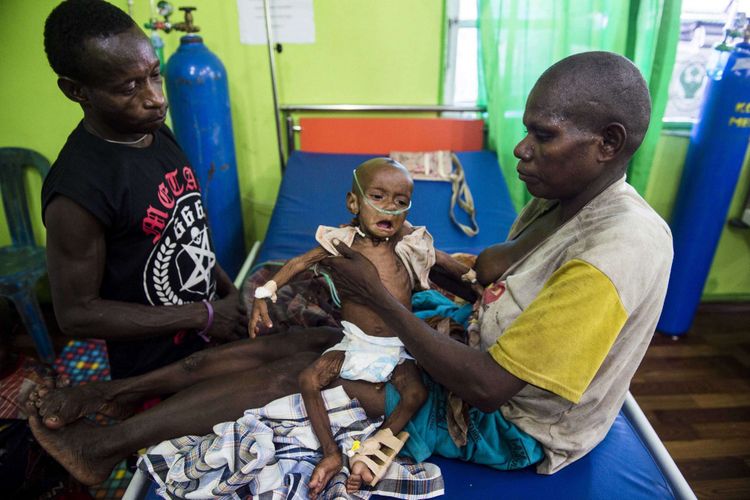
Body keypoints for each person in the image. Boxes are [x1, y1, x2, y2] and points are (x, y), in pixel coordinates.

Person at [26, 50, 672, 489]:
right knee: (302, 338)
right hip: (479, 336)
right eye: (525, 131)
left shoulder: (612, 254)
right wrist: (433, 259)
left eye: (544, 136)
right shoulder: (567, 195)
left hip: (516, 422)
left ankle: (104, 445)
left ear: (608, 142)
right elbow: (500, 267)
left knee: (295, 374)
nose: (524, 151)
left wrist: (379, 296)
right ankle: (109, 395)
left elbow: (490, 390)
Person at [40, 0, 247, 380]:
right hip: (157, 368)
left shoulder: (153, 132)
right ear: (76, 91)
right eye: (130, 86)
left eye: (154, 75)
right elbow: (75, 314)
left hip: (210, 334)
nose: (156, 98)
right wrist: (203, 315)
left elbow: (188, 231)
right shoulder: (77, 191)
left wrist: (228, 294)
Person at [249, 157, 473, 496]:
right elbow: (297, 263)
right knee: (309, 379)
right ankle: (329, 453)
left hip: (398, 345)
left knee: (416, 394)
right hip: (355, 343)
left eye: (401, 202)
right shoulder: (341, 243)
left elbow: (444, 261)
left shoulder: (407, 243)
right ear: (354, 203)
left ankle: (373, 447)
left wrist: (476, 280)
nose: (390, 209)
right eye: (378, 197)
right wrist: (264, 293)